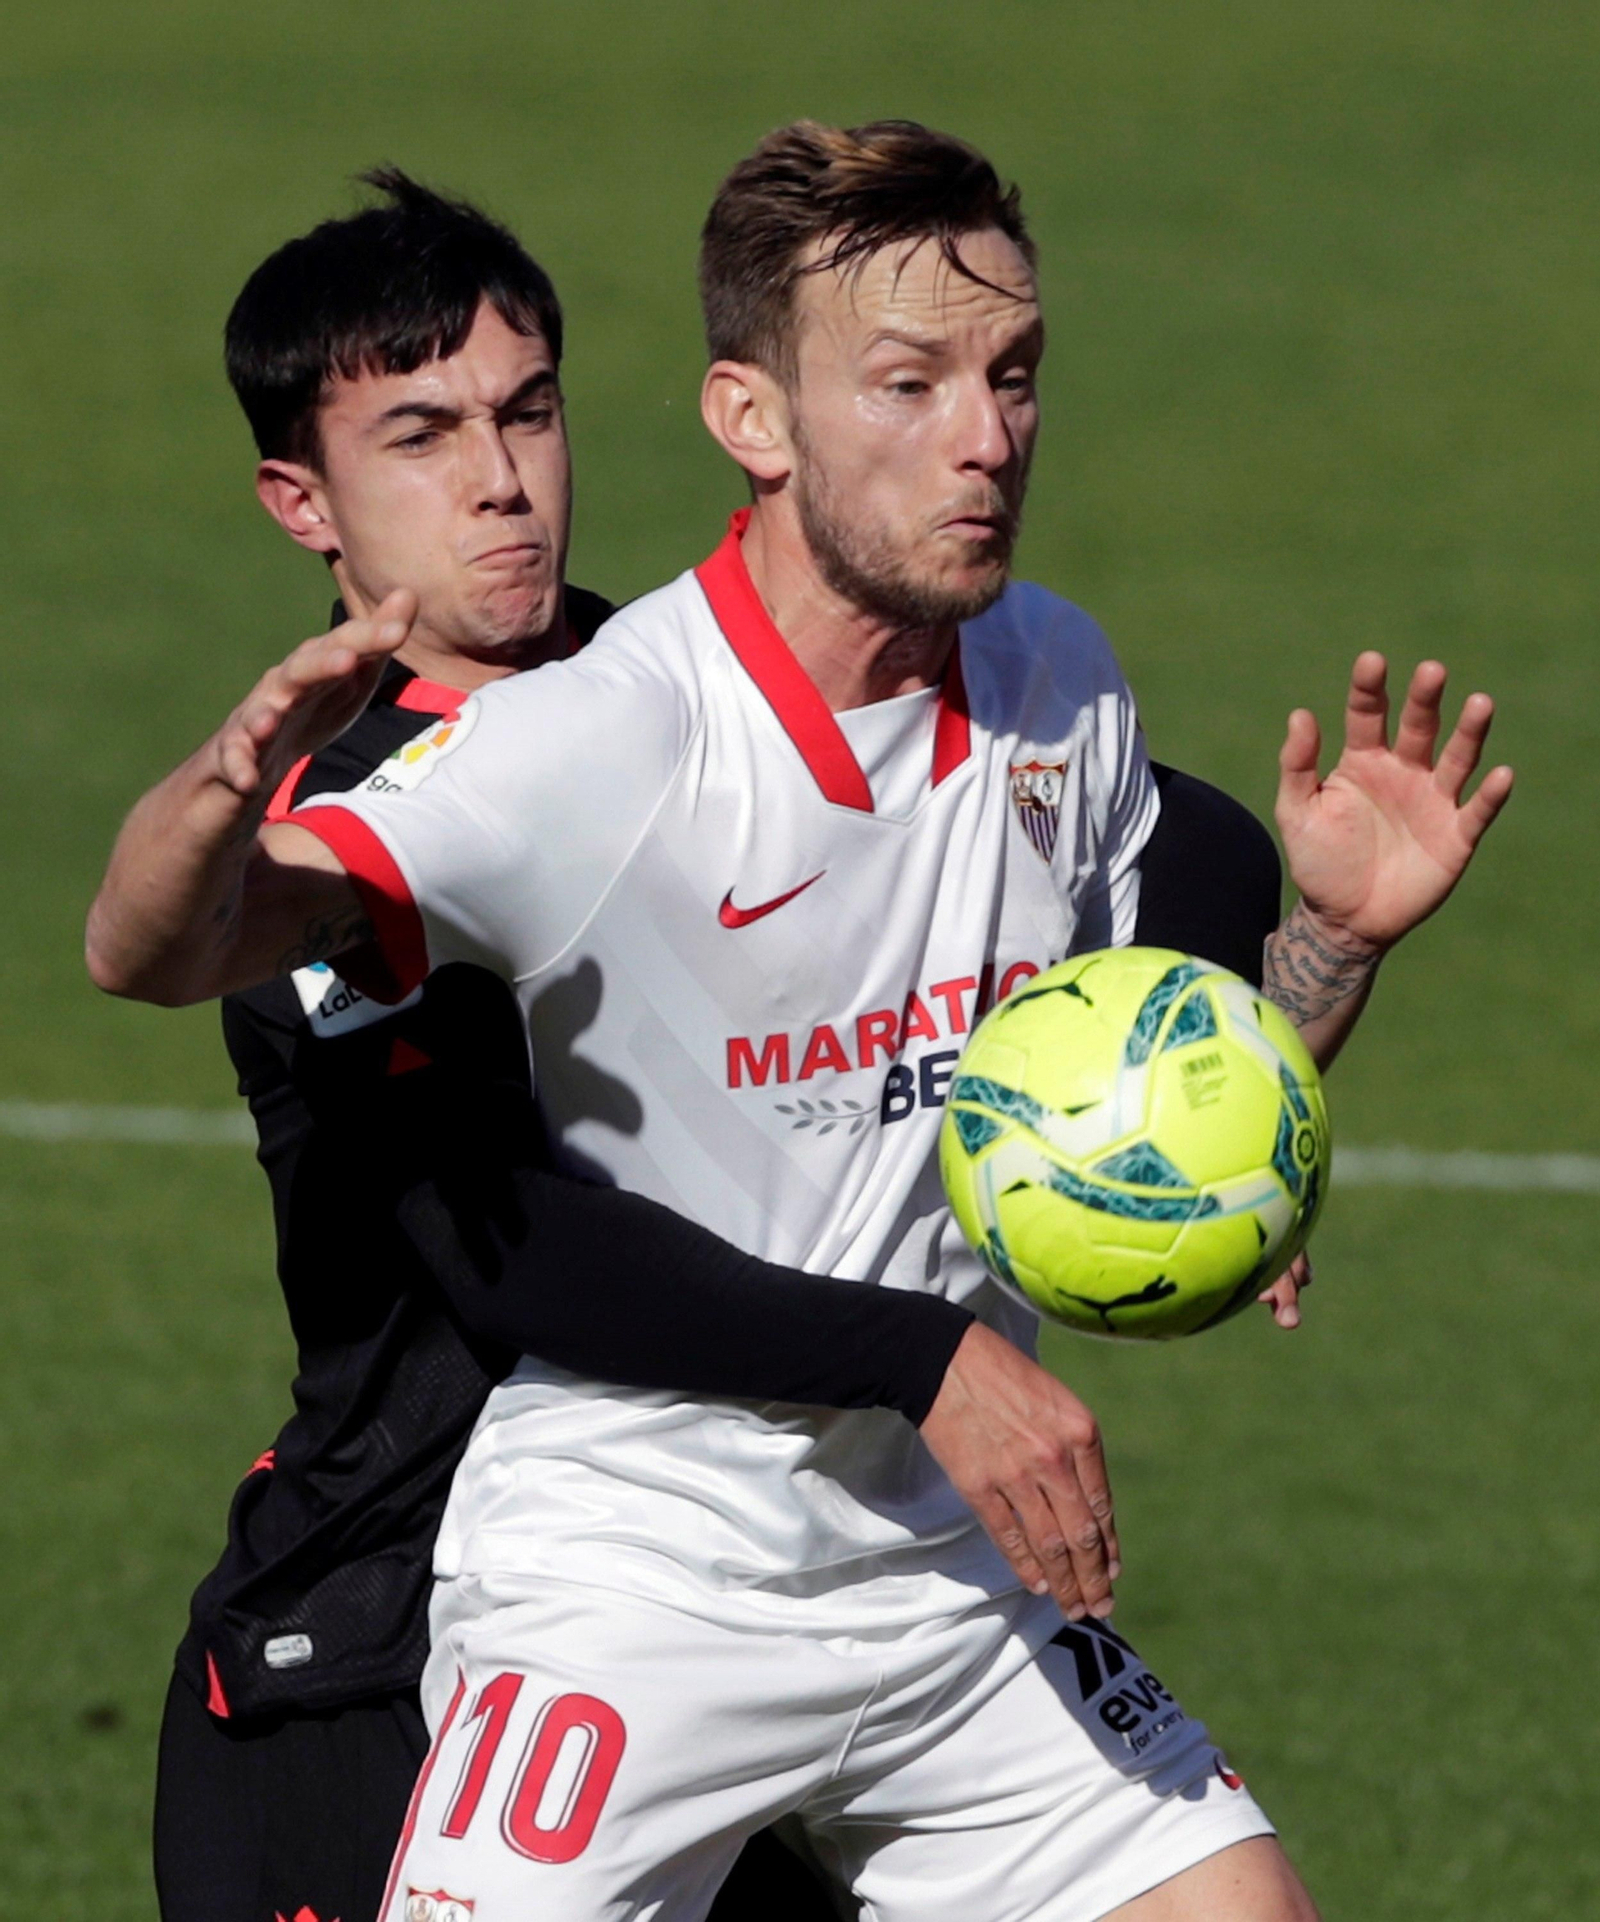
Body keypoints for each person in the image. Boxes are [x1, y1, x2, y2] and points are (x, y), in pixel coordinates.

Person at [89, 123, 1510, 1922]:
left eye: (527, 411)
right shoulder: (559, 754)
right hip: (472, 1584)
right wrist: (222, 790)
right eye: (425, 437)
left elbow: (1164, 838)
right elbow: (500, 1242)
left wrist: (1246, 1091)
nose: (507, 482)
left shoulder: (980, 661)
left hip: (915, 1559)